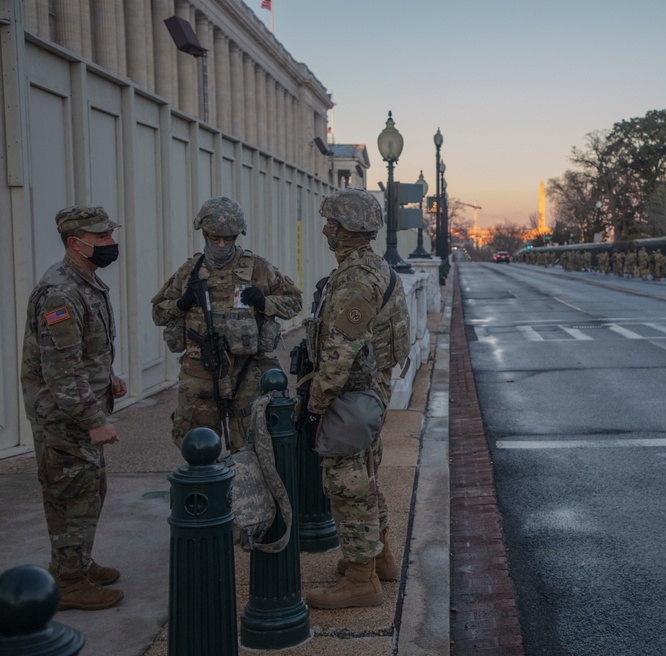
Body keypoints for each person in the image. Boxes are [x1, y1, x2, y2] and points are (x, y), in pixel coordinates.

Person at [21, 205, 127, 611]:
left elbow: (83, 352)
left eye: (110, 235)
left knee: (87, 488)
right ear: (75, 244)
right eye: (102, 238)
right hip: (63, 416)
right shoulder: (61, 292)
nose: (111, 244)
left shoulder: (85, 281)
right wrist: (93, 418)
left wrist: (108, 376)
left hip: (73, 407)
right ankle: (68, 580)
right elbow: (61, 369)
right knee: (72, 493)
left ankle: (75, 562)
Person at [151, 197, 302, 452]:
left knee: (251, 445)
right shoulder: (189, 272)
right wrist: (181, 304)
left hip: (246, 371)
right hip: (200, 371)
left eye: (228, 239)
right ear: (204, 233)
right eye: (215, 238)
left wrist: (264, 301)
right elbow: (158, 312)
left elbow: (294, 301)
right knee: (196, 444)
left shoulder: (257, 268)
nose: (221, 245)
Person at [303, 189, 393, 610]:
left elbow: (340, 348)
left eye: (330, 223)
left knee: (347, 483)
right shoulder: (371, 267)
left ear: (345, 230)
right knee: (368, 474)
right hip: (366, 394)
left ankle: (362, 580)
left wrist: (316, 402)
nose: (325, 229)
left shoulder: (356, 277)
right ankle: (381, 558)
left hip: (349, 397)